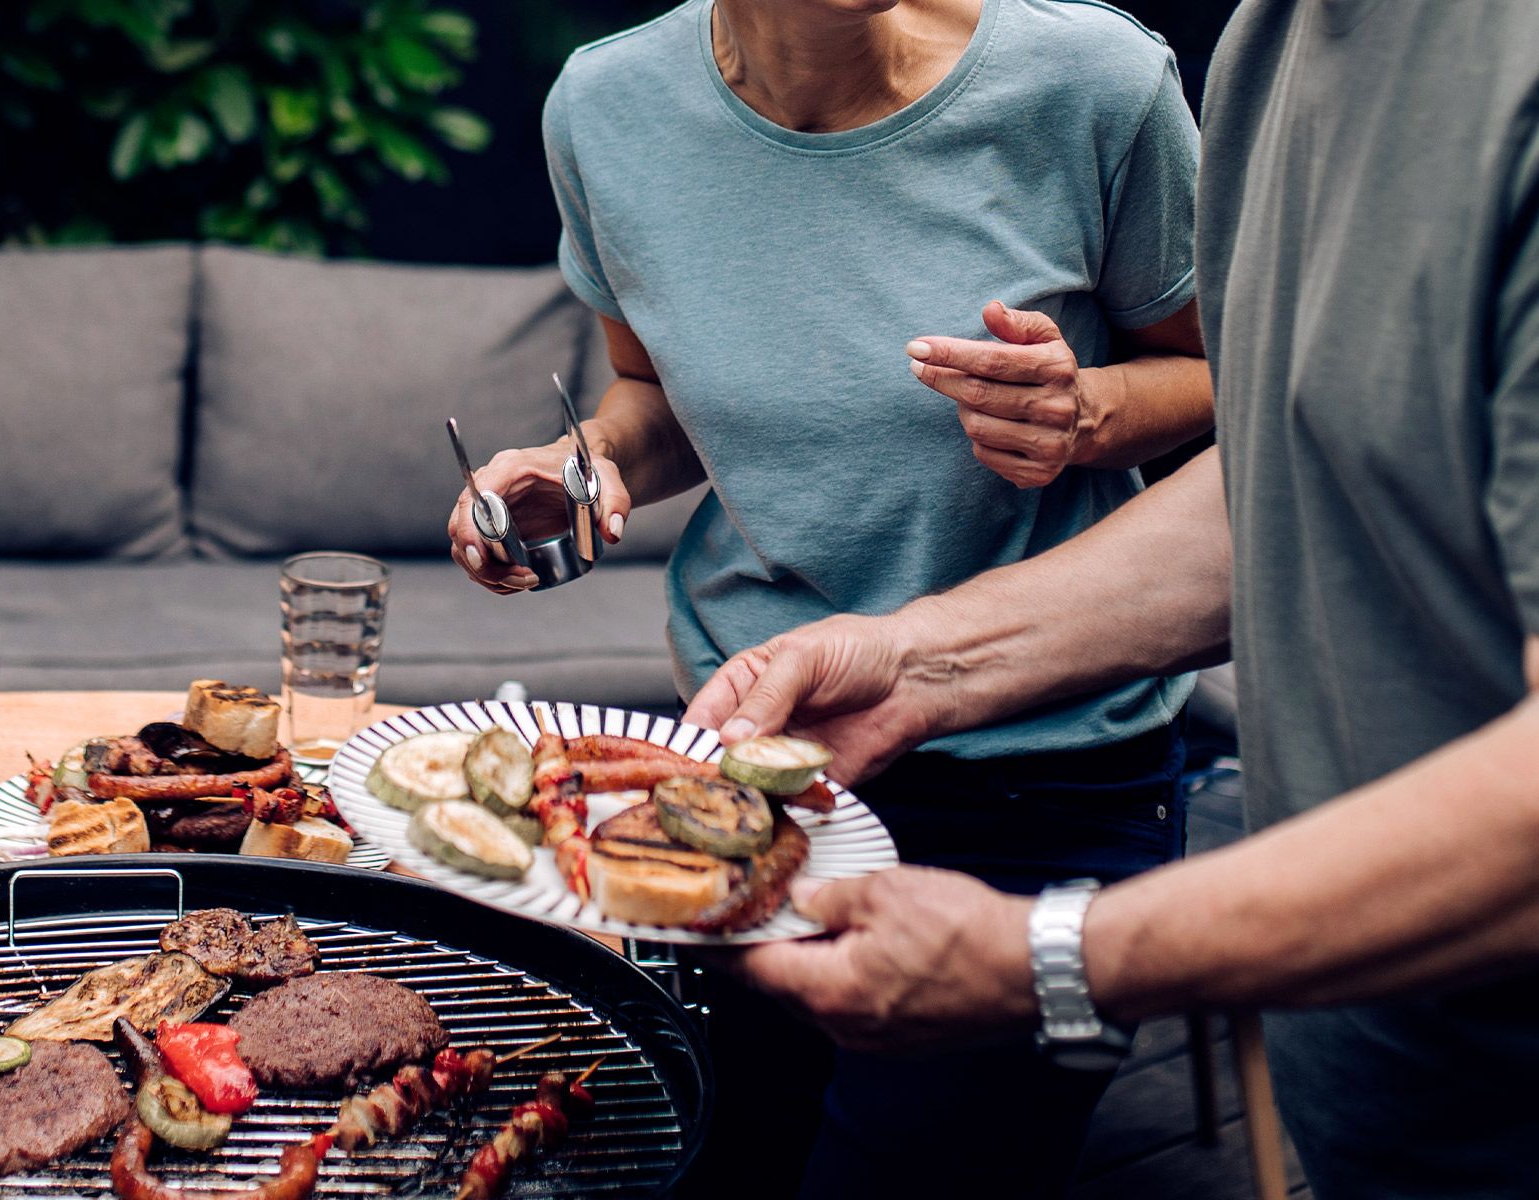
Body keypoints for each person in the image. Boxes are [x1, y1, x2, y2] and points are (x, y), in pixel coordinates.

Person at [684, 2, 1539, 1195]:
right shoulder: (1274, 40)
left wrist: (1053, 953)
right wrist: (920, 661)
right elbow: (1292, 485)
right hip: (1374, 1101)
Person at [446, 1, 1213, 1193]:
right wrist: (585, 464)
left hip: (1045, 772)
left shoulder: (1094, 81)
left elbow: (1232, 379)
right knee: (711, 1159)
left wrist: (1090, 415)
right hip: (742, 764)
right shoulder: (605, 107)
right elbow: (657, 398)